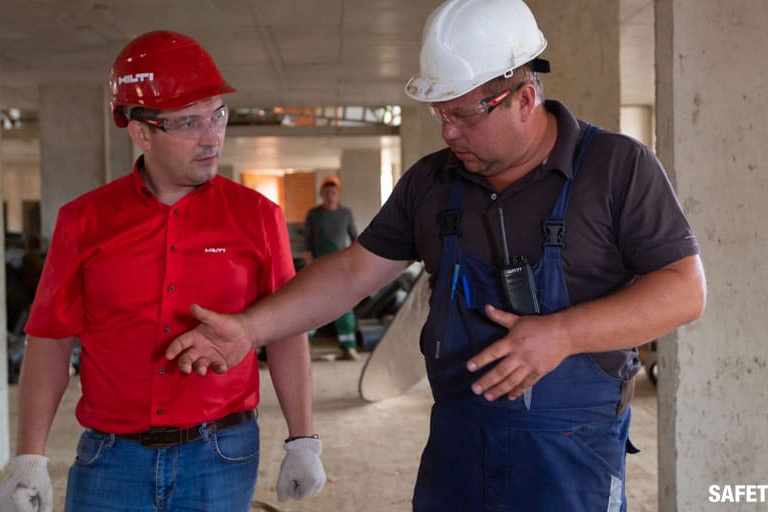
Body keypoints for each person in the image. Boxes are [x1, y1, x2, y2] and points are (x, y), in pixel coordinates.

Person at [166, 0, 707, 509]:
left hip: (573, 453)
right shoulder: (432, 182)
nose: (449, 132)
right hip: (456, 446)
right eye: (439, 114)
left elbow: (685, 289)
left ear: (523, 98)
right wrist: (250, 329)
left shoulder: (616, 167)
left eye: (465, 116)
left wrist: (563, 334)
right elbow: (353, 273)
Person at [0, 31, 325, 512]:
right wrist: (29, 458)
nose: (211, 136)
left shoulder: (258, 217)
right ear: (141, 131)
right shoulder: (83, 221)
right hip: (111, 458)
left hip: (221, 454)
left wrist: (303, 440)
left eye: (218, 115)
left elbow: (286, 332)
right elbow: (50, 338)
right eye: (189, 122)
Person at [302, 175, 360, 360]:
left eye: (333, 192)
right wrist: (309, 265)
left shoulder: (345, 214)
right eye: (326, 193)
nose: (330, 196)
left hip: (340, 266)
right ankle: (304, 348)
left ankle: (348, 347)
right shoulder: (314, 214)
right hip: (319, 265)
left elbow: (355, 239)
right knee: (313, 305)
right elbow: (307, 243)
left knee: (344, 306)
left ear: (338, 194)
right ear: (321, 194)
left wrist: (355, 263)